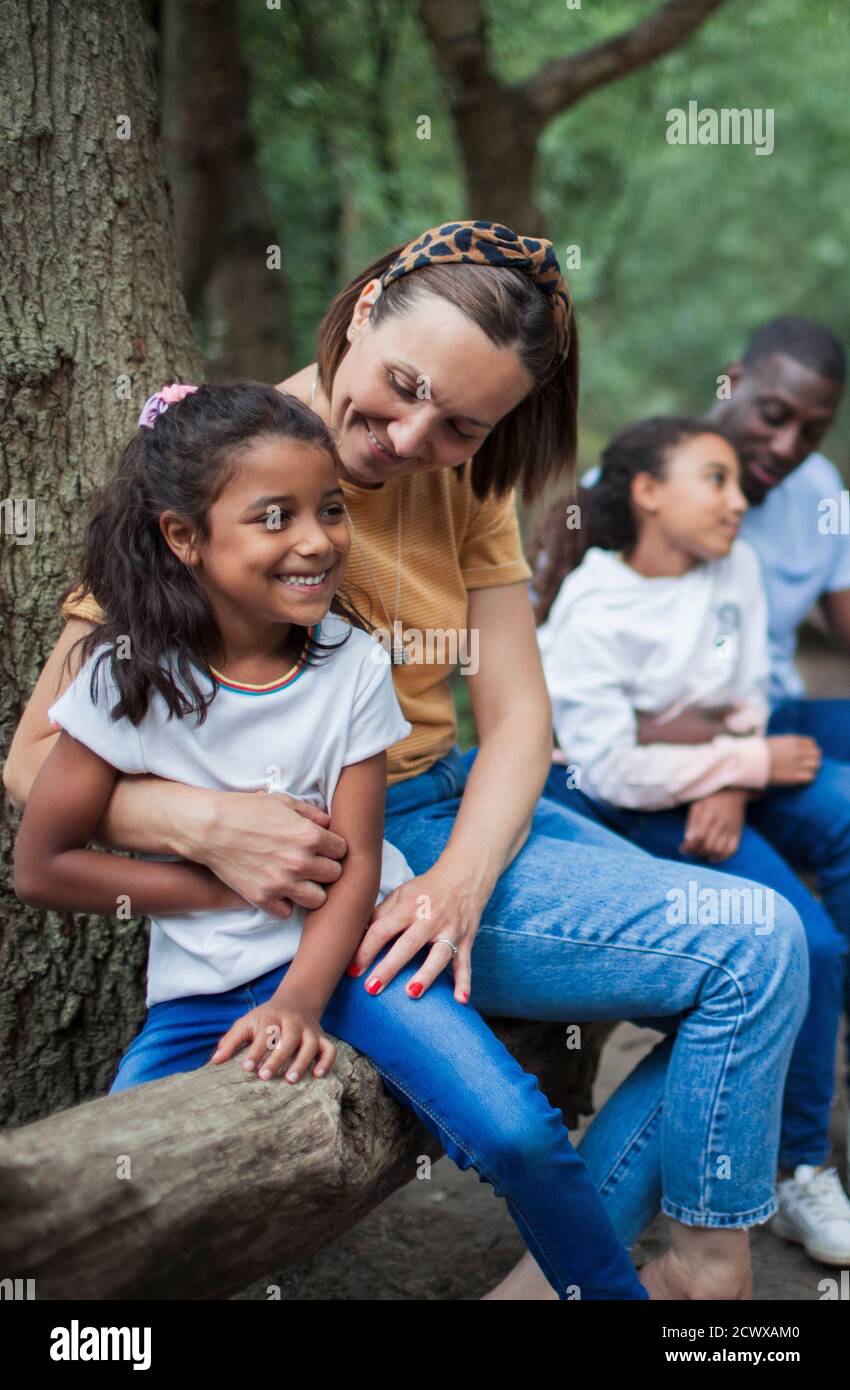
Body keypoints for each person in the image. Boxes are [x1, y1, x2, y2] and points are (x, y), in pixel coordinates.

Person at [4, 222, 809, 1302]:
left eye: (459, 425)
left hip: (469, 818)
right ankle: (687, 1272)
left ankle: (620, 1270)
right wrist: (201, 825)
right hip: (361, 839)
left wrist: (460, 884)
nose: (406, 438)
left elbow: (519, 720)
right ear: (371, 300)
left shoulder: (465, 484)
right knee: (750, 949)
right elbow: (36, 758)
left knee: (776, 945)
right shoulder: (222, 462)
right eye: (400, 388)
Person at [11, 379, 647, 1301]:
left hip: (355, 953)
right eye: (275, 517)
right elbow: (43, 864)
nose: (315, 540)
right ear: (184, 537)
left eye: (330, 509)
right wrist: (223, 891)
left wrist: (301, 1004)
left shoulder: (350, 664)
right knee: (121, 1186)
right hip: (199, 990)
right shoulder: (124, 676)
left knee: (518, 1135)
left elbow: (350, 868)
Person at [534, 415, 850, 1266]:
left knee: (839, 829)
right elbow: (607, 768)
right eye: (715, 480)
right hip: (629, 806)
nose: (739, 501)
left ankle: (800, 1131)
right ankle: (792, 1166)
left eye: (737, 485)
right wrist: (735, 756)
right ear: (646, 493)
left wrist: (723, 771)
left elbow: (746, 695)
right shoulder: (595, 606)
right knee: (807, 945)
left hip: (714, 781)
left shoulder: (732, 566)